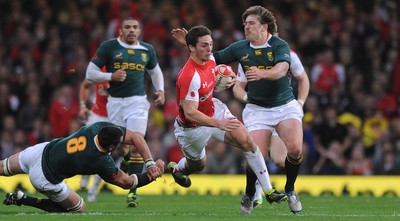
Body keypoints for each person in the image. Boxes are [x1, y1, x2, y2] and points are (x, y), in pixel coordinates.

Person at [171, 5, 308, 214]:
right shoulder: (240, 48)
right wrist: (187, 45)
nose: (246, 27)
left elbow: (282, 69)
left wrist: (265, 75)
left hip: (284, 105)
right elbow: (209, 57)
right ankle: (249, 193)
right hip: (255, 109)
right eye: (244, 23)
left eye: (251, 23)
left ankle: (288, 190)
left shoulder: (279, 45)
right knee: (243, 152)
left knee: (293, 149)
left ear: (264, 26)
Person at [85, 17, 165, 207]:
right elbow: (90, 73)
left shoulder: (147, 50)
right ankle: (114, 170)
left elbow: (155, 71)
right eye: (127, 27)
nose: (131, 30)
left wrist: (160, 90)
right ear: (120, 30)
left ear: (139, 31)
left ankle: (132, 193)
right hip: (115, 104)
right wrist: (110, 75)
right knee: (122, 148)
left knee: (137, 141)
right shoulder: (109, 47)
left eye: (135, 27)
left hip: (137, 101)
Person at [1, 121, 164, 213]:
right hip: (45, 177)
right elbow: (126, 182)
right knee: (79, 209)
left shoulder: (97, 128)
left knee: (2, 167)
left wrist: (149, 162)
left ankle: (20, 197)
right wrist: (151, 175)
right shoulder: (100, 161)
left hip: (40, 151)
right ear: (110, 148)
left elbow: (135, 137)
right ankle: (24, 198)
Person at [78, 78, 110, 202]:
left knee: (105, 155)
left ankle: (94, 189)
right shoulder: (100, 67)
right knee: (86, 145)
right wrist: (82, 106)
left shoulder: (123, 68)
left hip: (112, 116)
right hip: (96, 114)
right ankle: (85, 173)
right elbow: (85, 85)